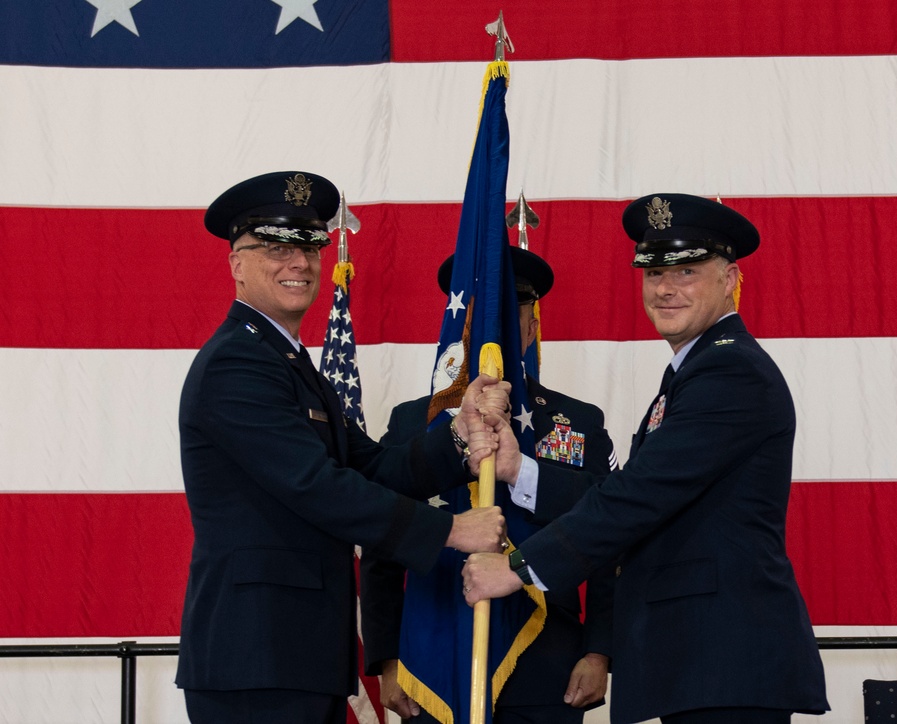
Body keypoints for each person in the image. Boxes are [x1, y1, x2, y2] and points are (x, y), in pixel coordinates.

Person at [461, 194, 830, 724]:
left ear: (730, 279)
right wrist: (522, 470)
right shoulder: (692, 371)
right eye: (654, 272)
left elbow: (639, 496)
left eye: (687, 270)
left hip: (725, 660)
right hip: (698, 661)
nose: (665, 287)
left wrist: (519, 568)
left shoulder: (731, 373)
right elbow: (638, 491)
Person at [175, 170, 510, 724]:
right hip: (255, 658)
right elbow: (316, 487)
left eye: (310, 246)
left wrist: (459, 434)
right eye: (277, 248)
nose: (300, 263)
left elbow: (373, 465)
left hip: (297, 655)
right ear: (237, 263)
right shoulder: (238, 363)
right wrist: (448, 530)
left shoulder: (290, 364)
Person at [360, 246, 618, 723]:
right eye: (481, 316)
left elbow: (610, 538)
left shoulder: (578, 422)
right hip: (431, 654)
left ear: (532, 327)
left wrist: (599, 650)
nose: (493, 331)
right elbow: (382, 543)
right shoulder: (416, 421)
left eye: (511, 311)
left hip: (548, 659)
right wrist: (388, 658)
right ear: (461, 325)